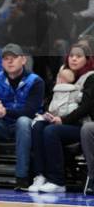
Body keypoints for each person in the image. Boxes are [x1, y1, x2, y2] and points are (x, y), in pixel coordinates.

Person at [0, 44, 44, 191]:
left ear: (23, 60)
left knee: (23, 121)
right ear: (1, 62)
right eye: (6, 59)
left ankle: (22, 177)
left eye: (14, 58)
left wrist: (6, 112)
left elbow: (30, 111)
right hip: (1, 125)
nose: (9, 62)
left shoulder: (36, 81)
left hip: (27, 126)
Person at [29, 43, 94, 193]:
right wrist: (48, 113)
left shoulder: (91, 77)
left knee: (52, 131)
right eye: (71, 56)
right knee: (38, 126)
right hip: (61, 120)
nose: (74, 59)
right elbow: (50, 99)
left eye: (78, 56)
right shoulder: (62, 74)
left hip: (82, 125)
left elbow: (86, 107)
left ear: (87, 59)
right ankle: (40, 175)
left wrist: (63, 120)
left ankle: (57, 181)